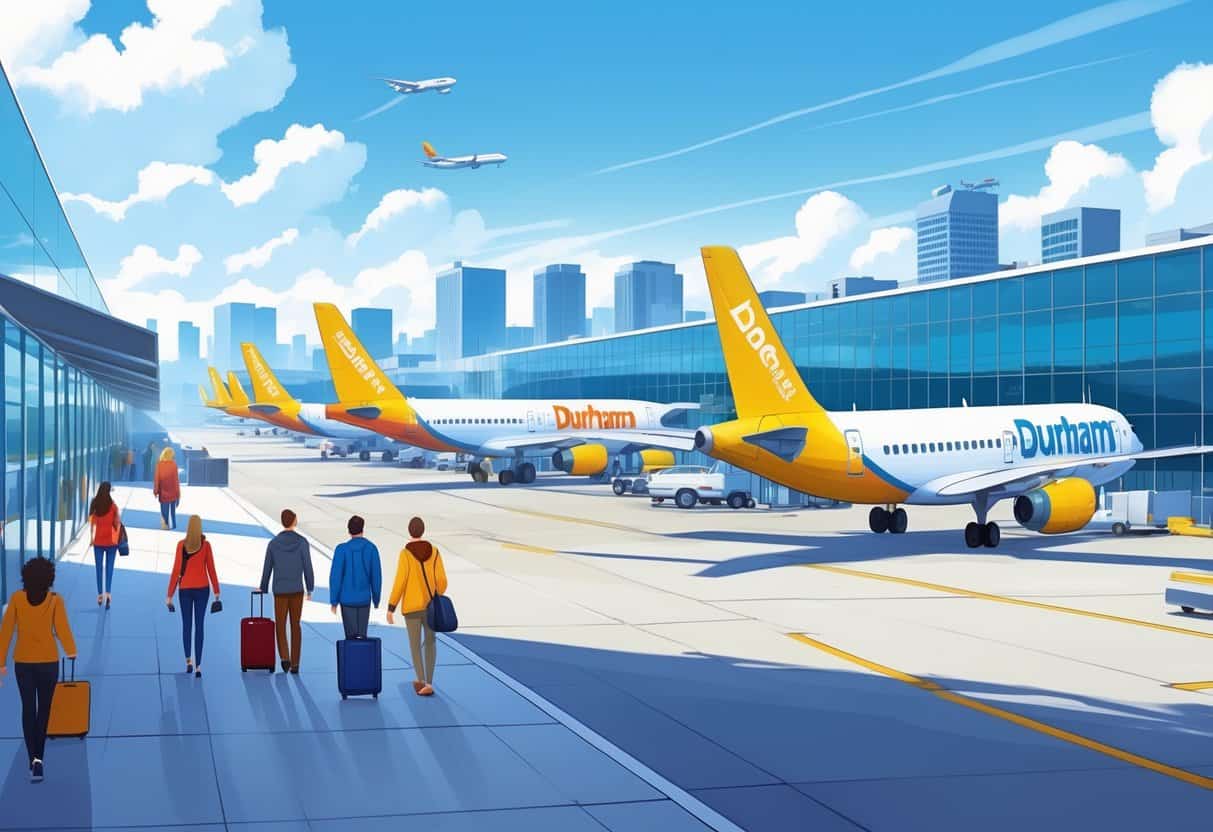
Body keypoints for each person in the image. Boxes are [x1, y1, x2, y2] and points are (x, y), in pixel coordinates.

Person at [0, 557, 77, 783]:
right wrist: (71, 650)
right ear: (49, 578)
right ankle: (39, 759)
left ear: (25, 576)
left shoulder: (16, 599)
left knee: (27, 709)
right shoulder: (55, 601)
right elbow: (62, 628)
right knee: (44, 710)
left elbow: (5, 632)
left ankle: (30, 757)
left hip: (23, 662)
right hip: (48, 662)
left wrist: (1, 662)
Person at [387, 516, 448, 697]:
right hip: (430, 606)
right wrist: (436, 593)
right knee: (430, 642)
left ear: (409, 531)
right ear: (423, 531)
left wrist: (392, 606)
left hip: (412, 608)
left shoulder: (405, 554)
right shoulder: (435, 552)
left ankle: (420, 680)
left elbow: (401, 581)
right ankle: (429, 681)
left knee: (414, 645)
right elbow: (442, 581)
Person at [259, 509, 314, 673]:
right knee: (295, 625)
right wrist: (310, 587)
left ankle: (284, 657)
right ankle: (296, 663)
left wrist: (263, 586)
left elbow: (267, 567)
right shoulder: (302, 542)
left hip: (280, 590)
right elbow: (308, 567)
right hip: (297, 589)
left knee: (281, 625)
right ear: (294, 521)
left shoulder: (274, 543)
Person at [166, 516, 220, 678]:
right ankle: (199, 666)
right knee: (200, 626)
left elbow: (176, 571)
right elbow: (211, 568)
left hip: (185, 590)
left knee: (187, 625)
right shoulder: (206, 546)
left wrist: (169, 595)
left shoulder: (181, 546)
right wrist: (217, 591)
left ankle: (188, 661)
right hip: (203, 589)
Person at [330, 515, 382, 639]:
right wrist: (376, 598)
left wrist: (334, 601)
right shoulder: (371, 548)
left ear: (349, 530)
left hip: (346, 600)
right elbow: (376, 576)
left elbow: (335, 577)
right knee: (362, 636)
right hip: (364, 599)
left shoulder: (341, 549)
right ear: (362, 529)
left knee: (350, 638)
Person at [88, 482, 121, 609]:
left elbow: (91, 523)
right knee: (109, 568)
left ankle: (100, 595)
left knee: (98, 569)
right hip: (111, 543)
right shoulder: (113, 506)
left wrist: (91, 538)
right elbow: (117, 523)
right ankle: (108, 594)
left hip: (98, 542)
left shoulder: (94, 504)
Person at [153, 447, 181, 530]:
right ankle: (173, 525)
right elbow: (176, 480)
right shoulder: (174, 465)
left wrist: (155, 491)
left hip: (163, 493)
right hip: (173, 493)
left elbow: (157, 479)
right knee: (172, 512)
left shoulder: (159, 465)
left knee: (164, 512)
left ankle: (165, 526)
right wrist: (178, 495)